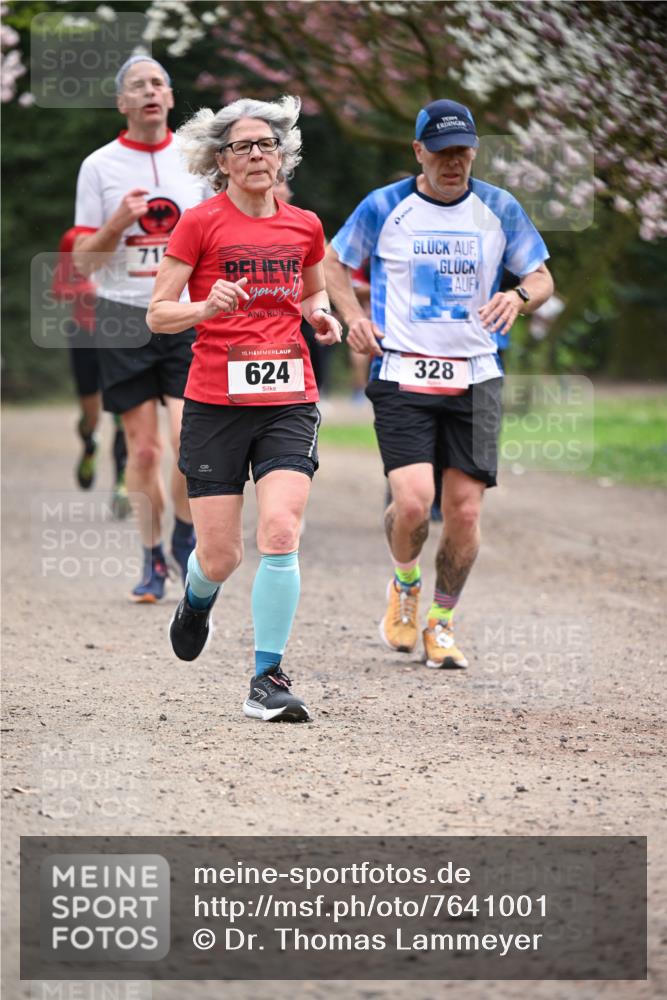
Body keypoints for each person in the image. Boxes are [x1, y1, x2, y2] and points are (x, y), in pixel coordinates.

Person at [325, 99, 554, 668]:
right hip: (402, 372)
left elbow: (541, 275)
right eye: (443, 152)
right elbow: (332, 262)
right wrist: (353, 317)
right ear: (419, 151)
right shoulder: (385, 206)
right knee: (412, 504)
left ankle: (442, 621)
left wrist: (518, 295)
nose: (454, 163)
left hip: (476, 377)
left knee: (465, 511)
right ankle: (404, 586)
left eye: (464, 152)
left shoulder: (499, 207)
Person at [146, 95, 341, 722]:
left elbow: (311, 294)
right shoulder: (200, 223)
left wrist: (321, 316)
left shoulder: (304, 224)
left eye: (266, 145)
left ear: (281, 156)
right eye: (242, 147)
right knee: (222, 554)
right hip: (215, 402)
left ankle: (267, 675)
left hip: (289, 397)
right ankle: (197, 597)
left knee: (281, 530)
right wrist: (206, 307)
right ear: (221, 161)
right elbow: (157, 312)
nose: (257, 154)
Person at [72, 55, 211, 602]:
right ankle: (152, 556)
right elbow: (82, 262)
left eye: (158, 83)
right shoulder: (99, 166)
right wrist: (117, 223)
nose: (150, 91)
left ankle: (184, 534)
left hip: (182, 312)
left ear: (171, 98)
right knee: (144, 451)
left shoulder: (197, 161)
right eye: (138, 85)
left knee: (187, 439)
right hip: (123, 314)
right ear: (122, 102)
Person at [52, 227, 129, 518]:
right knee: (92, 415)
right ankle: (89, 442)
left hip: (123, 335)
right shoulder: (74, 237)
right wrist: (87, 291)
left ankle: (122, 482)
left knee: (125, 413)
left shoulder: (133, 233)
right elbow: (57, 290)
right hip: (84, 335)